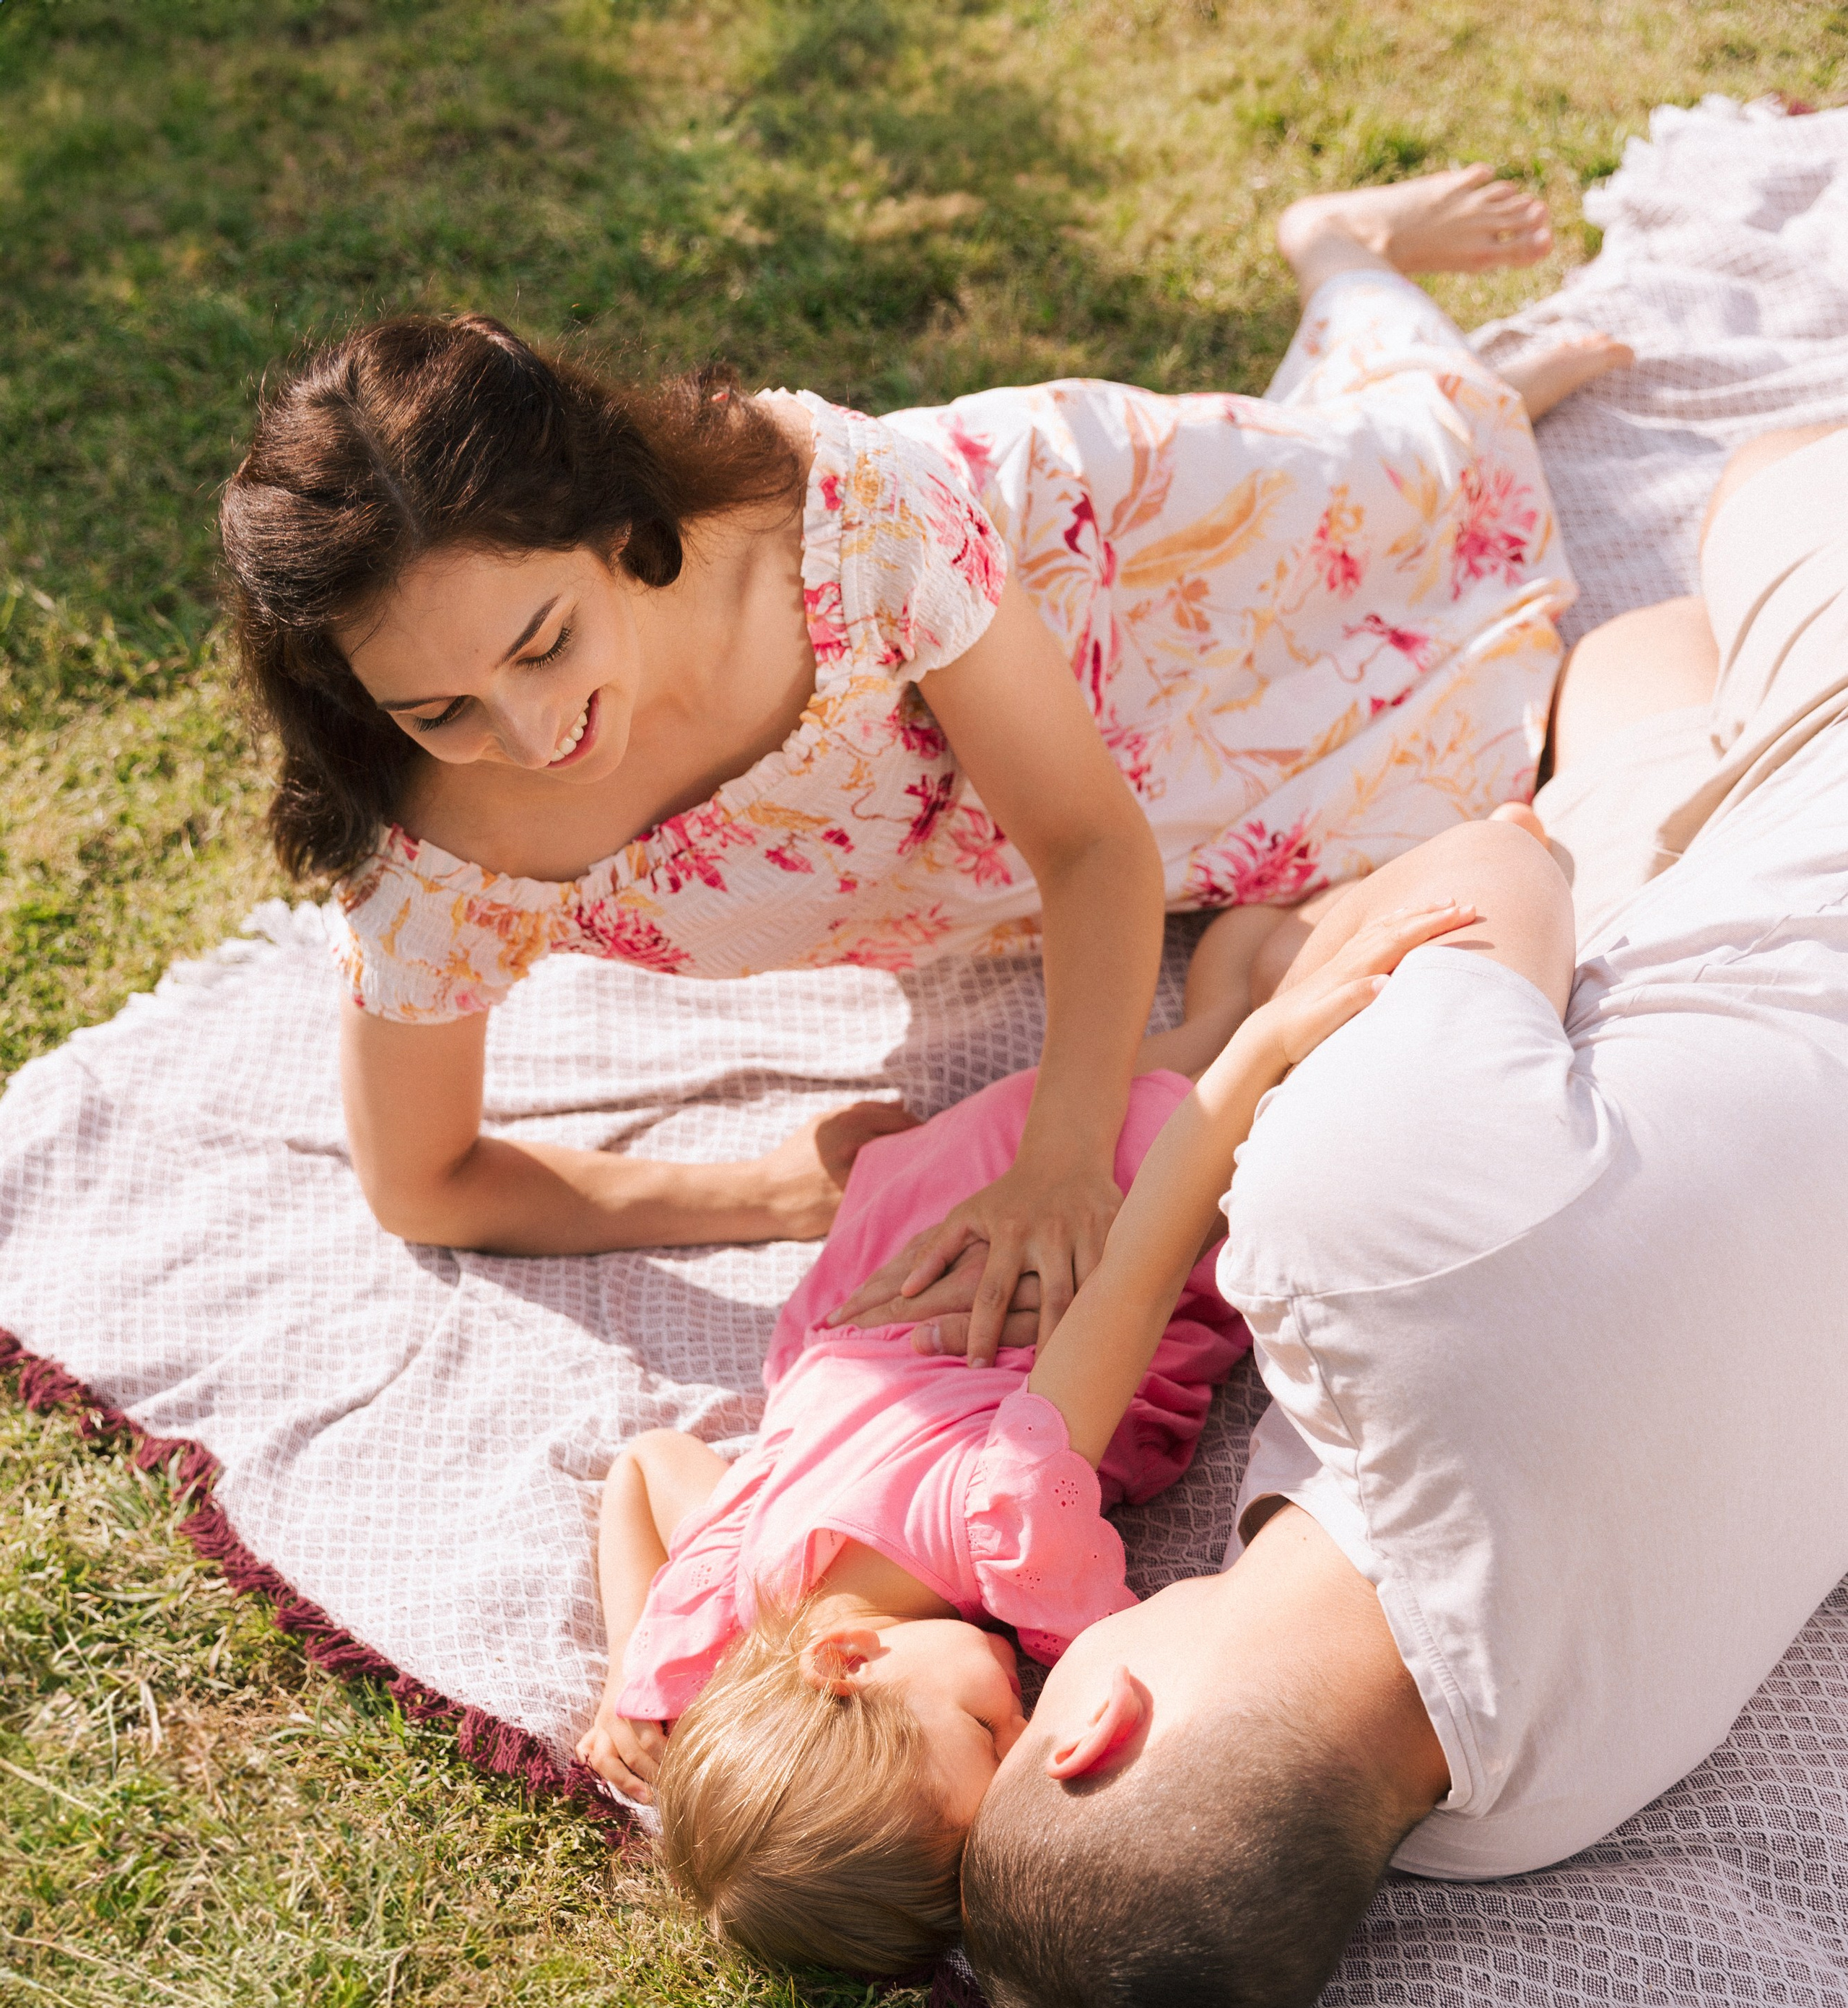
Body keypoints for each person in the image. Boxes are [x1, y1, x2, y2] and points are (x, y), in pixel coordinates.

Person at [220, 169, 1625, 1362]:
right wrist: (768, 1193)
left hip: (1102, 576)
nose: (529, 738)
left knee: (1443, 494)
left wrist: (1062, 1160)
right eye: (436, 708)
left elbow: (1085, 842)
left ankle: (1338, 255)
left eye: (541, 643)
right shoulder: (434, 853)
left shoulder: (843, 520)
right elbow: (426, 1185)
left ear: (612, 520)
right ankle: (1439, 386)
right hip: (1011, 835)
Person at [957, 425, 1848, 2008]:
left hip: (1751, 1000)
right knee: (1757, 494)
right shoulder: (1358, 1258)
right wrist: (1273, 1051)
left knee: (1626, 687)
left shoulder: (1520, 1815)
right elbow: (1491, 866)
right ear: (1089, 1729)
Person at [572, 897, 1467, 1973]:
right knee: (1204, 1042)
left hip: (1100, 1203)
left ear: (849, 1658)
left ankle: (1263, 1003)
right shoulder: (743, 1604)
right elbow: (645, 1468)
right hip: (928, 1204)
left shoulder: (1004, 1522)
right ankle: (1225, 1003)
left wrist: (1265, 1058)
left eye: (988, 1733)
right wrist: (636, 1668)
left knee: (1313, 1088)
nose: (1018, 1731)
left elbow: (1137, 1273)